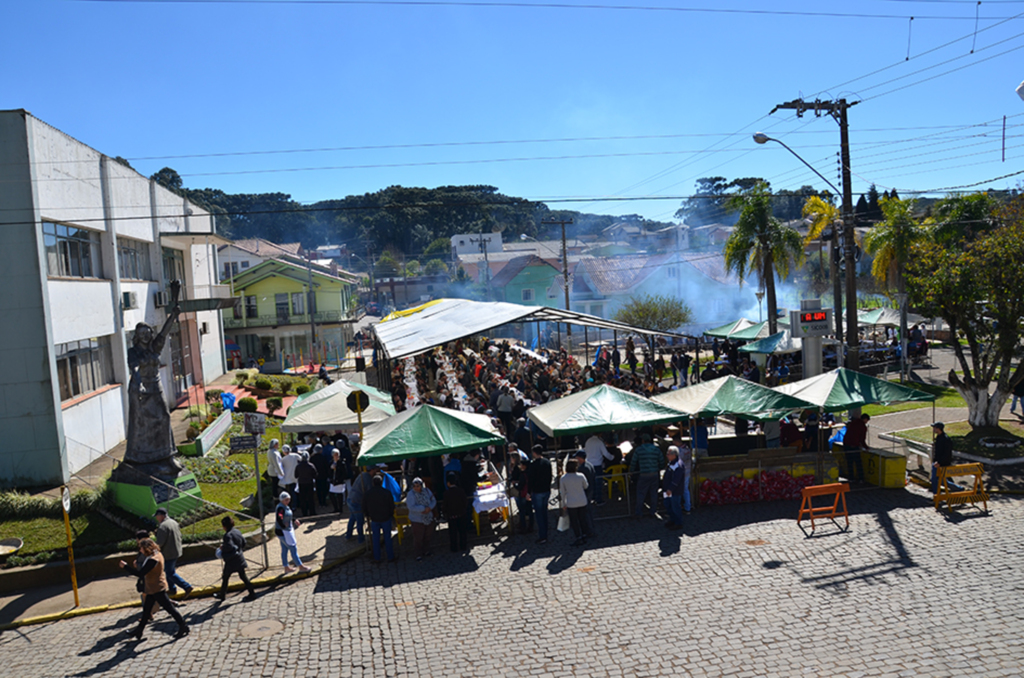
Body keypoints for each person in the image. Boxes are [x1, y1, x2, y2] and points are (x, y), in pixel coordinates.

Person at [119, 538, 189, 640]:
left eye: (141, 548)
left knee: (170, 609)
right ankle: (139, 631)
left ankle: (183, 626)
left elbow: (140, 573)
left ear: (146, 548)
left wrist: (125, 566)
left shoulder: (153, 560)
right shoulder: (157, 554)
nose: (140, 551)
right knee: (147, 610)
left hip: (156, 588)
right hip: (152, 588)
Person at [214, 515, 257, 601]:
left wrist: (223, 548)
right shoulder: (237, 531)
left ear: (224, 526)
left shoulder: (227, 535)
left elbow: (230, 547)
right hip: (239, 558)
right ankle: (252, 592)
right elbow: (244, 542)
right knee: (243, 576)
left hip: (231, 560)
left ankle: (222, 595)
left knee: (225, 577)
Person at [153, 508, 193, 600]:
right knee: (168, 571)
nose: (156, 518)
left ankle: (187, 586)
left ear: (161, 516)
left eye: (157, 516)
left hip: (168, 553)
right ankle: (172, 589)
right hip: (176, 551)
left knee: (170, 573)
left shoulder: (163, 526)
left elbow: (160, 542)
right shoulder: (173, 522)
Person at [630, 433, 664, 518]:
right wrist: (659, 468)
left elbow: (633, 462)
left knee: (641, 493)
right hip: (654, 474)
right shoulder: (656, 449)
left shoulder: (639, 450)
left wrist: (631, 471)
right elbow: (661, 460)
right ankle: (653, 511)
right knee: (653, 493)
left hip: (644, 474)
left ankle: (639, 512)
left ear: (642, 440)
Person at [275, 492, 311, 574]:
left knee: (284, 549)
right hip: (283, 532)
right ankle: (300, 566)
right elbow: (279, 518)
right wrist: (284, 526)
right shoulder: (281, 508)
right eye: (286, 500)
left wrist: (294, 520)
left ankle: (286, 567)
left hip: (284, 531)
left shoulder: (285, 506)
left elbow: (288, 515)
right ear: (282, 500)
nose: (288, 501)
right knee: (293, 547)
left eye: (289, 499)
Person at [364, 474, 397, 563]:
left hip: (374, 519)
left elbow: (364, 506)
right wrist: (390, 515)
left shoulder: (368, 494)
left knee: (375, 539)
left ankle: (377, 558)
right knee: (388, 538)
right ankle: (390, 557)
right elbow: (391, 506)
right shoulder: (387, 492)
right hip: (386, 518)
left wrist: (368, 515)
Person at [559, 460, 590, 547]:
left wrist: (564, 504)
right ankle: (584, 534)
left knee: (574, 521)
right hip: (582, 501)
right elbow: (586, 486)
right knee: (582, 519)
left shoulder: (564, 478)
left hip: (571, 503)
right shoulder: (581, 476)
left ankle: (578, 537)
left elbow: (563, 492)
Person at [527, 444, 553, 544]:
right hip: (546, 490)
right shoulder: (547, 462)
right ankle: (545, 532)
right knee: (544, 512)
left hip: (537, 491)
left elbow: (531, 480)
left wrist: (529, 492)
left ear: (534, 453)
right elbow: (550, 476)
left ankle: (543, 535)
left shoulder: (533, 465)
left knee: (539, 514)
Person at [406, 477, 436, 561]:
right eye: (414, 486)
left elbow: (433, 500)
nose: (416, 488)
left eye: (418, 486)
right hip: (417, 520)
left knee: (428, 536)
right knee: (418, 538)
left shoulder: (427, 491)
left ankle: (426, 550)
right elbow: (411, 507)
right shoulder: (410, 494)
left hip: (428, 517)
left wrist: (429, 508)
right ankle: (418, 554)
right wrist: (423, 509)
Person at [931, 422, 963, 494]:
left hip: (941, 463)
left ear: (938, 429)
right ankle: (958, 489)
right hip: (937, 462)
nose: (933, 429)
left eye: (934, 428)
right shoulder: (939, 437)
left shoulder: (945, 439)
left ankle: (936, 495)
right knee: (940, 480)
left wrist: (939, 462)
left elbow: (947, 453)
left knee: (935, 480)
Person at [573, 450, 597, 539]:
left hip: (585, 492)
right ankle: (591, 529)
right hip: (590, 490)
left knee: (586, 512)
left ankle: (590, 531)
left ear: (579, 458)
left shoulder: (582, 468)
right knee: (588, 511)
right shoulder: (590, 465)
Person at [584, 433, 614, 505]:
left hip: (589, 464)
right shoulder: (599, 442)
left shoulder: (588, 441)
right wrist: (612, 457)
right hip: (597, 465)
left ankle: (592, 497)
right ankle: (599, 500)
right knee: (598, 483)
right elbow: (605, 453)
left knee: (591, 482)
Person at [443, 472, 469, 553]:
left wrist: (445, 513)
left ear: (448, 483)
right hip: (461, 514)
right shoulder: (461, 491)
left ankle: (454, 548)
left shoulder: (446, 493)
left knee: (453, 533)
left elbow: (445, 505)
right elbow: (465, 502)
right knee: (462, 531)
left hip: (451, 516)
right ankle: (463, 546)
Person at [346, 467, 374, 543]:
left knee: (352, 518)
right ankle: (361, 539)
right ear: (371, 470)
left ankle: (348, 535)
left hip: (350, 498)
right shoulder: (368, 478)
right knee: (360, 521)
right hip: (356, 501)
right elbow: (369, 493)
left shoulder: (362, 474)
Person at [662, 446, 686, 530]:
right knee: (668, 505)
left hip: (674, 491)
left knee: (675, 507)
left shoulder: (678, 465)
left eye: (668, 454)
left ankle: (678, 523)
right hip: (667, 490)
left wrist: (670, 489)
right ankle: (672, 520)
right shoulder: (671, 463)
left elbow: (676, 480)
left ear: (674, 455)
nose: (667, 455)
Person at [842, 414, 869, 482]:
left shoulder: (853, 423)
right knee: (858, 463)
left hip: (846, 444)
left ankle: (851, 478)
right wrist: (866, 447)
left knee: (849, 462)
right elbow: (862, 439)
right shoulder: (863, 427)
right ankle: (861, 478)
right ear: (865, 419)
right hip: (854, 446)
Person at [510, 457, 534, 534]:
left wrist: (515, 485)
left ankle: (523, 527)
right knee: (530, 511)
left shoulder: (523, 474)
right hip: (530, 494)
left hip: (523, 494)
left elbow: (520, 487)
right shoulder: (531, 473)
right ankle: (531, 526)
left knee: (522, 511)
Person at [294, 451, 318, 517]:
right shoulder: (311, 465)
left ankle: (304, 513)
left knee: (303, 499)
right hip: (309, 483)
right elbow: (315, 474)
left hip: (301, 483)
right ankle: (312, 512)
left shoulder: (298, 466)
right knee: (310, 498)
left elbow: (296, 475)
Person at [328, 449, 348, 514]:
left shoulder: (342, 463)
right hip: (333, 481)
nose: (336, 457)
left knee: (340, 495)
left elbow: (344, 473)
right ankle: (335, 508)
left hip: (339, 482)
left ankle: (340, 509)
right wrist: (331, 469)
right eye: (335, 455)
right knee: (331, 495)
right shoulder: (331, 462)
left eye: (337, 455)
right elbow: (328, 472)